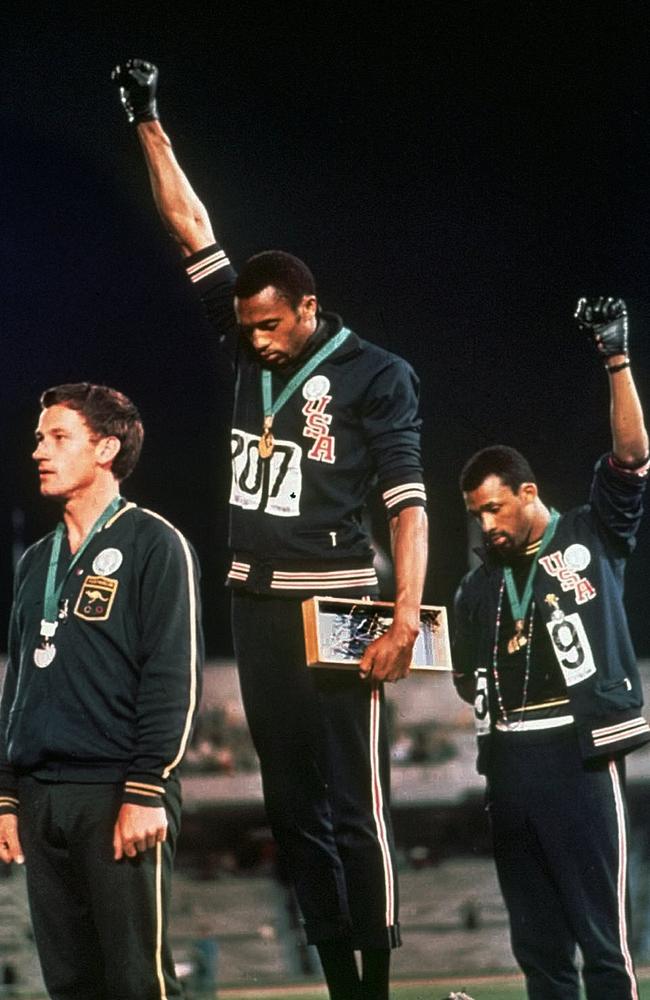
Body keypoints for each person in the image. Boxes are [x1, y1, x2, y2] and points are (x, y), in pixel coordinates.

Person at [112, 59, 428, 1000]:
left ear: (309, 309)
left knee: (353, 804)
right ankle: (336, 980)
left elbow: (408, 504)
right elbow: (192, 230)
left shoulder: (380, 375)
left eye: (270, 326)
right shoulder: (245, 335)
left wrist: (404, 616)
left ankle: (374, 983)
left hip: (343, 600)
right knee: (291, 810)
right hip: (255, 600)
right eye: (245, 327)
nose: (253, 340)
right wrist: (147, 120)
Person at [453, 297, 649, 1000]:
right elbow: (459, 678)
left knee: (602, 944)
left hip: (578, 753)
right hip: (507, 762)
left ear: (528, 492)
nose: (486, 523)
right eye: (476, 513)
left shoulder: (592, 534)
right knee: (536, 948)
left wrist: (616, 358)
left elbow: (632, 458)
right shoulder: (476, 588)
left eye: (495, 507)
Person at [0, 383, 203, 1000]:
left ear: (106, 448)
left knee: (136, 981)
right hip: (40, 799)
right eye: (40, 438)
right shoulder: (36, 560)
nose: (39, 450)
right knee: (70, 984)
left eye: (59, 438)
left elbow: (174, 678)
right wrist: (7, 795)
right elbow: (19, 684)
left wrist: (147, 787)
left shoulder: (155, 544)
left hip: (118, 793)